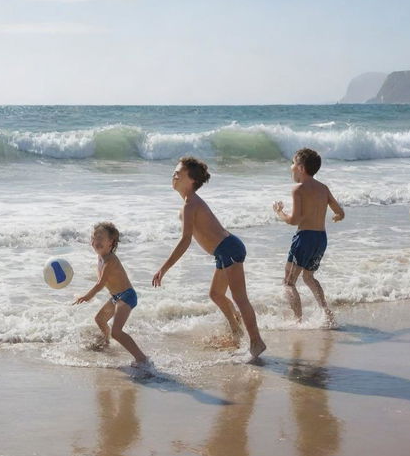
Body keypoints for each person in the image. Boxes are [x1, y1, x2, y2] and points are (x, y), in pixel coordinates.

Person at [152, 157, 266, 359]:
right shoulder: (188, 204)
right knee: (216, 294)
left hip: (229, 248)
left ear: (192, 181)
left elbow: (185, 240)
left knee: (240, 298)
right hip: (224, 251)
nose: (174, 175)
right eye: (174, 172)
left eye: (179, 173)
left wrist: (164, 268)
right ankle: (236, 328)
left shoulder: (190, 204)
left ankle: (256, 342)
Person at [273, 148, 344, 326]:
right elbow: (340, 212)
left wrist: (279, 212)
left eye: (293, 163)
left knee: (289, 282)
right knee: (309, 277)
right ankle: (326, 313)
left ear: (301, 168)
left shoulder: (298, 189)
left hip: (304, 238)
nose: (291, 167)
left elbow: (294, 220)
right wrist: (336, 217)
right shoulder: (323, 188)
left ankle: (298, 321)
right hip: (321, 239)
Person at [73, 222, 149, 367]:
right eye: (94, 237)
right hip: (116, 297)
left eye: (101, 238)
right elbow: (101, 281)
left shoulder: (110, 260)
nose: (97, 241)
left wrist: (87, 296)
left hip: (127, 296)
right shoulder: (100, 258)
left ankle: (141, 358)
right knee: (100, 319)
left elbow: (101, 284)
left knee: (117, 332)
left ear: (111, 242)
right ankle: (105, 343)